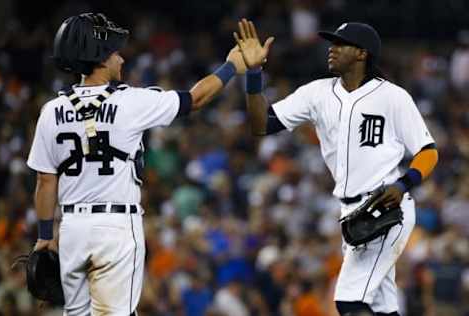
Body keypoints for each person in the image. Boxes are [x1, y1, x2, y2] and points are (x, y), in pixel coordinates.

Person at [26, 13, 246, 316]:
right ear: (100, 58)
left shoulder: (51, 111)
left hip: (72, 228)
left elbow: (45, 181)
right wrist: (232, 65)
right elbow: (195, 99)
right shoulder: (131, 102)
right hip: (115, 227)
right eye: (115, 52)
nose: (121, 58)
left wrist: (45, 235)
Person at [234, 19, 438, 316]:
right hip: (352, 214)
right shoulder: (317, 93)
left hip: (386, 206)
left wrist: (403, 184)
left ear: (362, 53)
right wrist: (254, 74)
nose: (332, 49)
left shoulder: (393, 97)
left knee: (348, 301)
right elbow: (260, 124)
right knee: (382, 308)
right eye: (332, 42)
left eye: (340, 44)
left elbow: (428, 152)